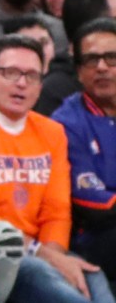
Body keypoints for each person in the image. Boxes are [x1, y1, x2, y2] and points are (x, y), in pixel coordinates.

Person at [0, 34, 115, 303]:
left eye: (32, 75)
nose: (21, 83)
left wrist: (56, 255)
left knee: (93, 276)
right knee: (46, 278)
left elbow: (57, 209)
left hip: (45, 249)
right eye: (11, 73)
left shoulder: (51, 132)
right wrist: (48, 257)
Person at [52, 18, 116, 283]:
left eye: (111, 57)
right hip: (96, 236)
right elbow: (92, 201)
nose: (101, 67)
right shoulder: (66, 122)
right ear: (78, 71)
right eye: (91, 60)